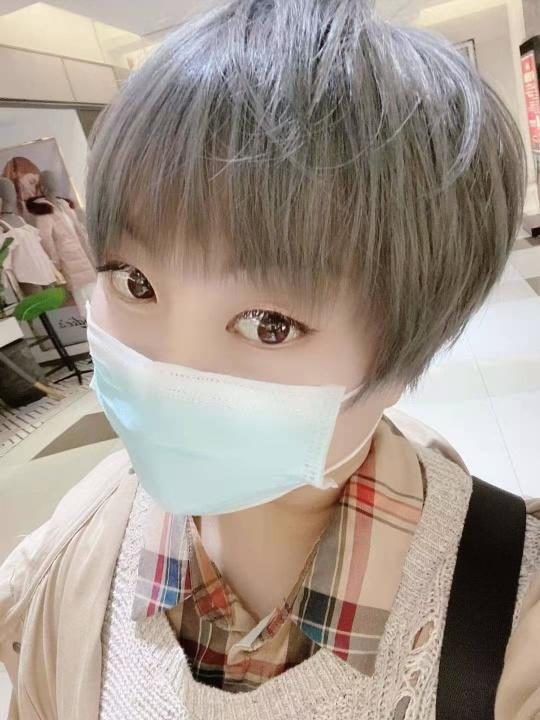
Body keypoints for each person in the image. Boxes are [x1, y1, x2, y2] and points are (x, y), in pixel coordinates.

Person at [1, 1, 539, 718]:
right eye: (135, 282)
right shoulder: (85, 528)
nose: (169, 368)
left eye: (269, 324)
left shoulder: (509, 622)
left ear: (409, 347)